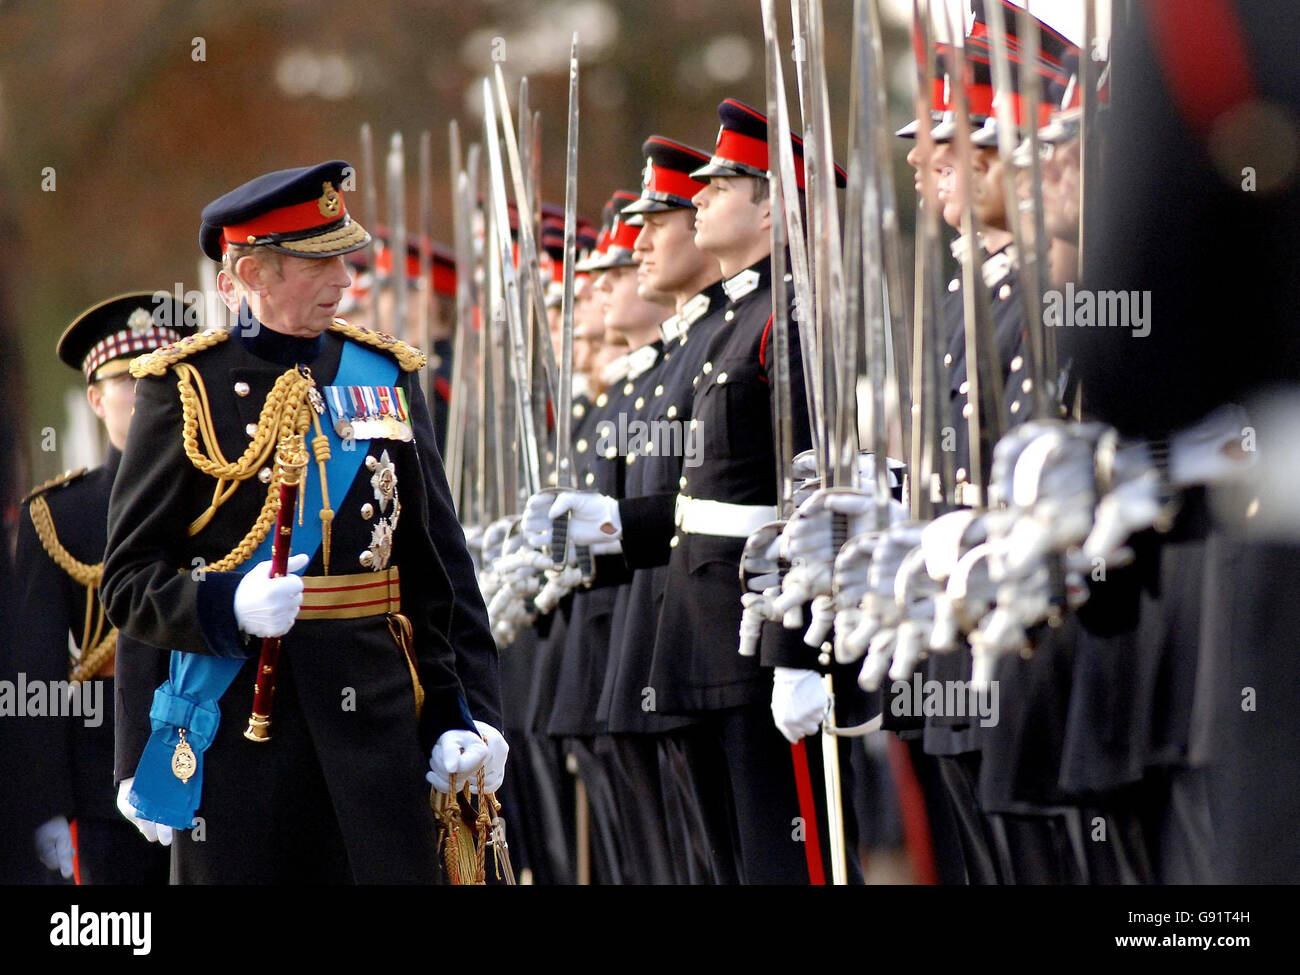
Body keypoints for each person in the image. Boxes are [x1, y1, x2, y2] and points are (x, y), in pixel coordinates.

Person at [101, 160, 505, 883]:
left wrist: (462, 710)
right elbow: (130, 582)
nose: (346, 281)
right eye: (318, 263)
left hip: (378, 728)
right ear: (245, 277)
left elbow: (438, 567)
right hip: (238, 731)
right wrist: (225, 605)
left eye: (344, 257)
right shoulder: (180, 388)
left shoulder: (383, 375)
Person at [11, 292, 192, 884]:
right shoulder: (61, 515)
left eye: (161, 376)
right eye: (128, 380)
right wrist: (47, 806)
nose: (147, 393)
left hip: (217, 757)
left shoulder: (220, 498)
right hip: (104, 773)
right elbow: (35, 676)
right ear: (94, 397)